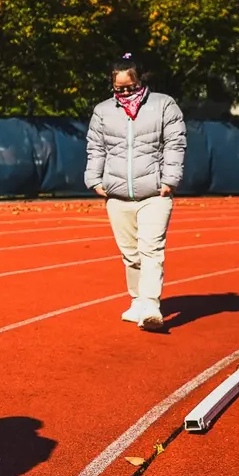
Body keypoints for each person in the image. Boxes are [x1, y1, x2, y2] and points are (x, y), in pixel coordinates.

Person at [85, 53, 186, 331]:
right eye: (119, 88)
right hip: (117, 195)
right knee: (130, 254)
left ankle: (151, 304)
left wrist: (170, 179)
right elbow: (96, 147)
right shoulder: (103, 111)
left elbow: (175, 144)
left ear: (141, 81)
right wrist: (94, 179)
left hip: (155, 193)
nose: (125, 92)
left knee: (151, 249)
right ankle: (138, 300)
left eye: (130, 86)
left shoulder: (164, 105)